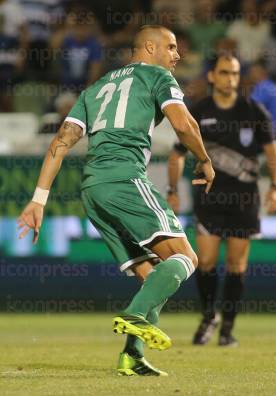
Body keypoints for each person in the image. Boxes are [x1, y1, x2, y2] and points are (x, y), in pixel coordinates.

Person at [17, 25, 215, 376]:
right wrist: (204, 159)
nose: (177, 54)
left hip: (93, 189)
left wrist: (38, 199)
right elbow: (184, 125)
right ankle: (135, 316)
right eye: (170, 47)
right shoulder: (157, 77)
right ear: (150, 48)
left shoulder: (95, 88)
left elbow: (62, 140)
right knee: (186, 257)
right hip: (125, 179)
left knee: (150, 276)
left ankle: (132, 355)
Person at [167, 54, 276, 347]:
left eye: (234, 74)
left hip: (244, 200)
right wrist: (172, 190)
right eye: (223, 73)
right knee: (204, 261)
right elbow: (177, 154)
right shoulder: (199, 111)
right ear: (212, 76)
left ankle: (228, 329)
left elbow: (273, 152)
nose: (229, 79)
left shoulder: (253, 111)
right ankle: (209, 317)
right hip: (208, 198)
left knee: (236, 265)